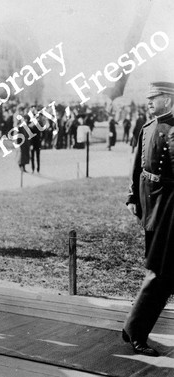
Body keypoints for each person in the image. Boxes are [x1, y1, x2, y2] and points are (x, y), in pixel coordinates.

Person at [123, 81, 174, 357]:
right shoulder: (147, 128)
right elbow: (139, 167)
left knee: (162, 273)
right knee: (160, 271)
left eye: (154, 97)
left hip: (168, 205)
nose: (149, 101)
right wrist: (133, 197)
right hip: (158, 207)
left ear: (168, 99)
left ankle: (135, 328)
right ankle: (135, 329)